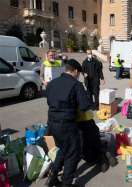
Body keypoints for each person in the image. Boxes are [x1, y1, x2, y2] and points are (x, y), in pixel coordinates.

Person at [46, 59, 92, 187]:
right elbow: (85, 106)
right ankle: (66, 184)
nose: (79, 76)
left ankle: (52, 177)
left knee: (62, 149)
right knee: (73, 153)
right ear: (76, 71)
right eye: (79, 73)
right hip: (67, 125)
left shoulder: (52, 83)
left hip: (52, 125)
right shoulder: (76, 85)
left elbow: (49, 101)